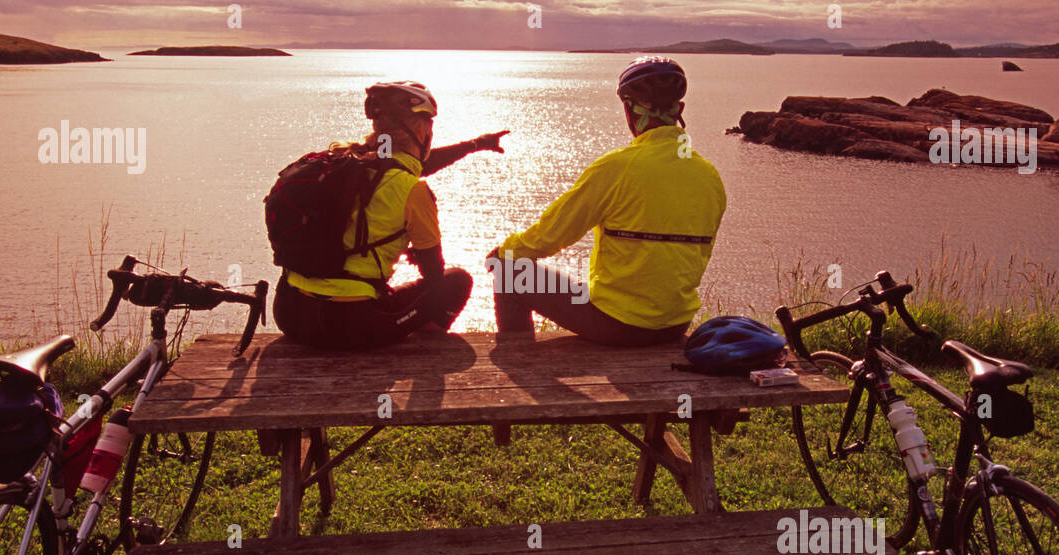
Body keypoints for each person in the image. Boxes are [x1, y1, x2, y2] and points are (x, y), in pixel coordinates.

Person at [488, 57, 726, 345]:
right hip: (674, 324)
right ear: (680, 110)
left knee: (509, 272)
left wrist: (504, 251)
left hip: (618, 326)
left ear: (628, 109)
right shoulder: (709, 175)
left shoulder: (616, 168)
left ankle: (520, 363)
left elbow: (552, 235)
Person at [273, 81, 507, 350]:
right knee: (456, 282)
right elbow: (434, 276)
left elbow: (415, 165)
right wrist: (416, 252)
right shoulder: (412, 189)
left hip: (292, 314)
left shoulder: (347, 162)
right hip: (352, 328)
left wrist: (475, 145)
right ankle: (425, 347)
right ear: (421, 129)